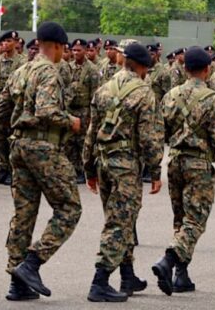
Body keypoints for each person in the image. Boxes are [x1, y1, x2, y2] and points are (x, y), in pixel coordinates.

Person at [0, 22, 83, 301]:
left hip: (18, 146)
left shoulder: (20, 71)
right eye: (64, 49)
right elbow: (46, 110)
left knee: (24, 214)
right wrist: (71, 121)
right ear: (57, 46)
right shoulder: (49, 72)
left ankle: (16, 281)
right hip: (43, 146)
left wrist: (3, 150)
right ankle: (32, 263)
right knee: (69, 208)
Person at [82, 43, 164, 302]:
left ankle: (127, 274)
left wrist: (88, 167)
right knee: (119, 222)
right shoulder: (144, 93)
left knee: (120, 219)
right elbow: (149, 138)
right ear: (142, 67)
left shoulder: (103, 89)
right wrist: (156, 170)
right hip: (126, 167)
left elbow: (91, 132)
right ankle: (100, 280)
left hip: (102, 162)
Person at [151, 47, 215, 295]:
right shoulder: (212, 98)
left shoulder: (170, 96)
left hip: (174, 161)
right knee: (195, 220)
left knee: (181, 219)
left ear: (185, 69)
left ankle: (181, 274)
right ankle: (169, 259)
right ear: (207, 70)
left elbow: (159, 132)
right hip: (198, 163)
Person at [0, 31, 27, 185]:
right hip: (0, 105)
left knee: (13, 138)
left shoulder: (22, 62)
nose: (6, 44)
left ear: (16, 42)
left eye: (9, 41)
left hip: (14, 105)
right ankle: (3, 168)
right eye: (4, 41)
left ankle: (14, 171)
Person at [68, 39, 100, 184]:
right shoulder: (69, 67)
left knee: (83, 142)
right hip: (71, 109)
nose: (75, 53)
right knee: (70, 141)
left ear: (85, 51)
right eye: (73, 50)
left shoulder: (92, 69)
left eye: (78, 50)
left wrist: (92, 116)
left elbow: (95, 94)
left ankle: (83, 170)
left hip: (84, 110)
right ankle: (73, 169)